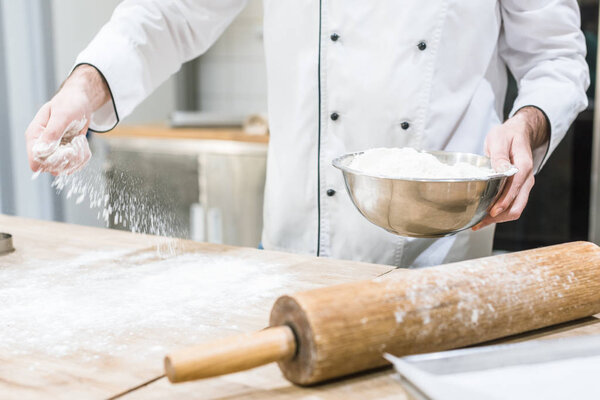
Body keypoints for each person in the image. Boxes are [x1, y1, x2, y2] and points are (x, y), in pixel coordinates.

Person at [25, 1, 589, 267]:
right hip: (293, 252)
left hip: (436, 257)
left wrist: (529, 123)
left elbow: (556, 56)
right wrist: (84, 87)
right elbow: (171, 12)